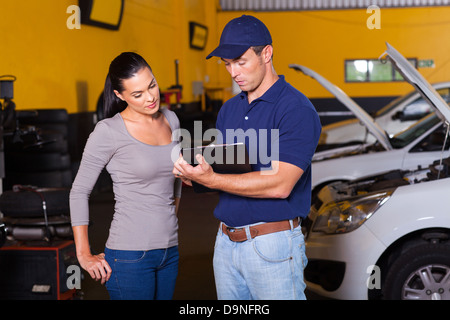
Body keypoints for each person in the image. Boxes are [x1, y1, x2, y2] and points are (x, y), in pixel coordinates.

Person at [173, 15, 321, 300]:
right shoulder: (229, 109)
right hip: (225, 244)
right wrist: (195, 176)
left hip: (272, 246)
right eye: (227, 64)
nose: (233, 72)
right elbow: (227, 172)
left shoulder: (296, 109)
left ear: (266, 53)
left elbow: (280, 185)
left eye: (241, 62)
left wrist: (212, 178)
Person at [70, 52, 182, 300]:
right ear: (120, 95)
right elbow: (79, 192)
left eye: (151, 85)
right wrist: (84, 254)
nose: (151, 97)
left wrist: (168, 223)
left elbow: (176, 181)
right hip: (130, 255)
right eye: (137, 94)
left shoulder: (172, 120)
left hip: (169, 251)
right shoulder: (108, 131)